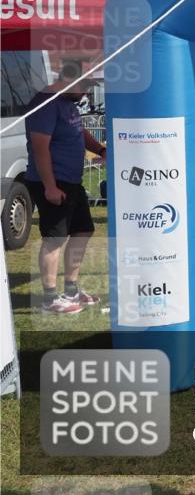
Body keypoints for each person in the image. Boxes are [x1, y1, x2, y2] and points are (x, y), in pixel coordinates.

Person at [24, 61, 107, 314]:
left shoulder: (68, 104)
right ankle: (50, 299)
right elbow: (40, 148)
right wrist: (49, 186)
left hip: (71, 181)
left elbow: (79, 133)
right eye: (84, 86)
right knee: (54, 237)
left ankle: (71, 290)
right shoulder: (46, 103)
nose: (86, 93)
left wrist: (102, 149)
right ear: (69, 79)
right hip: (51, 181)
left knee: (83, 231)